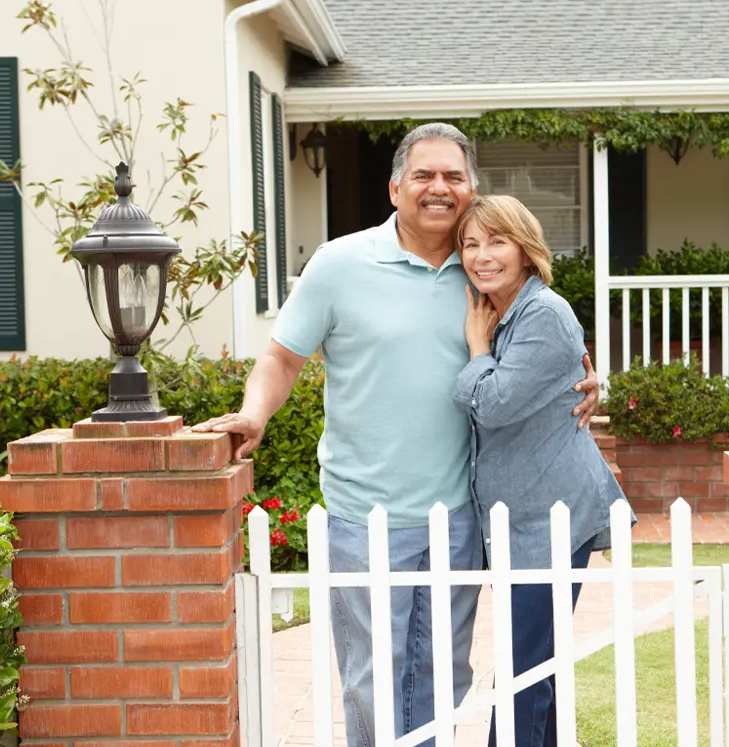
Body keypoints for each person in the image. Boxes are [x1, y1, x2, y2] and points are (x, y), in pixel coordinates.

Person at [192, 125, 600, 747]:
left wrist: (598, 384)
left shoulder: (486, 275)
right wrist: (255, 414)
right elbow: (281, 359)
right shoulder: (338, 264)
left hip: (458, 516)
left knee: (442, 677)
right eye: (424, 175)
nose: (439, 188)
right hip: (365, 516)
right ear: (395, 187)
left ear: (471, 189)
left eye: (453, 177)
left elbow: (550, 354)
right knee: (373, 683)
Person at [453, 194, 633, 747]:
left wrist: (476, 350)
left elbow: (495, 404)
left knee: (523, 670)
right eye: (470, 244)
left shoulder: (542, 313)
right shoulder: (500, 309)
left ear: (526, 251)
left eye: (497, 241)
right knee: (535, 662)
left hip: (550, 520)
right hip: (518, 518)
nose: (482, 256)